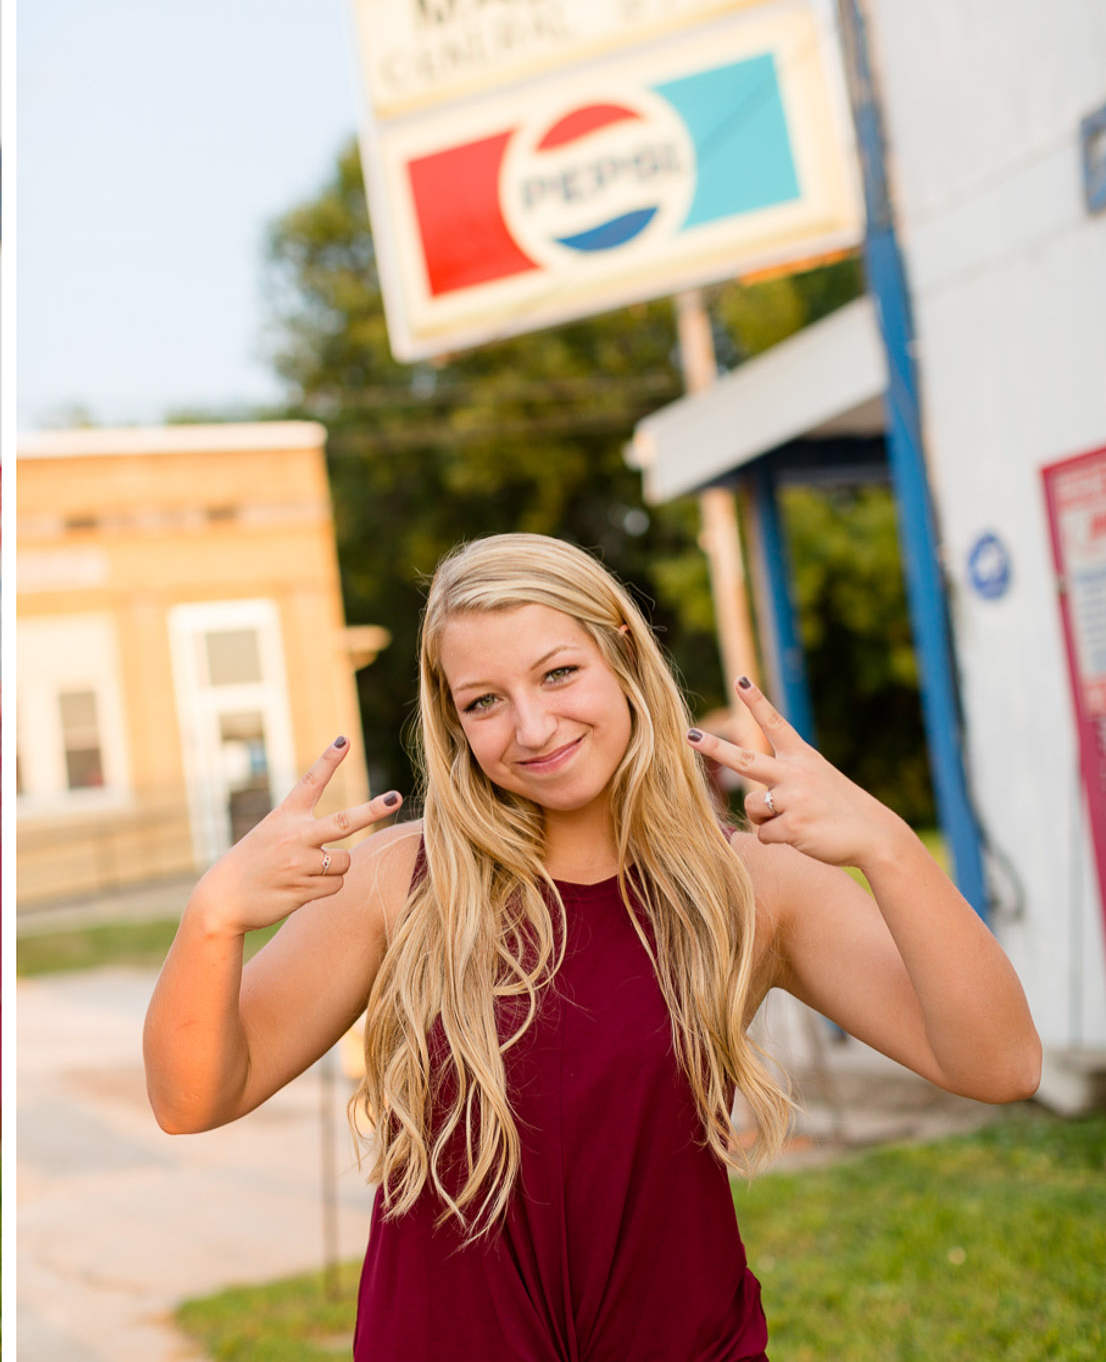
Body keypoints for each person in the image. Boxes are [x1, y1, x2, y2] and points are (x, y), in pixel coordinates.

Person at [142, 533, 1039, 1361]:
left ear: (620, 652)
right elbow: (193, 1098)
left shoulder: (751, 885)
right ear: (454, 722)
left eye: (559, 672)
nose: (531, 728)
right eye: (484, 701)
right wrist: (213, 916)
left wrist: (885, 845)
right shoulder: (400, 880)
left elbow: (998, 1063)